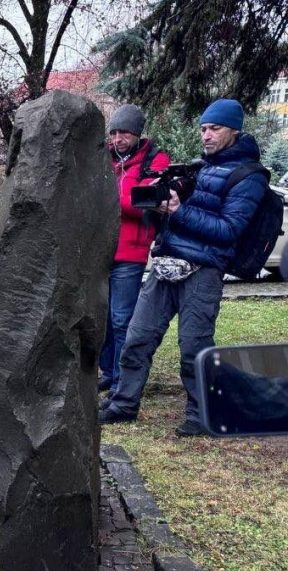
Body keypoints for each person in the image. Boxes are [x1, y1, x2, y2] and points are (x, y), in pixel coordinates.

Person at [100, 99, 269, 436]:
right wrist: (163, 198)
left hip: (203, 271)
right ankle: (123, 404)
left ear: (235, 130)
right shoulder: (200, 167)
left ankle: (200, 415)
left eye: (215, 128)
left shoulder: (249, 176)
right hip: (165, 264)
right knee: (136, 339)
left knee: (195, 348)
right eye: (203, 128)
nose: (206, 135)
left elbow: (228, 230)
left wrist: (178, 210)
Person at [99, 105, 170, 396]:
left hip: (130, 252)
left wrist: (109, 197)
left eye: (123, 133)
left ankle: (121, 381)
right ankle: (108, 371)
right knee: (102, 318)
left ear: (137, 133)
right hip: (101, 249)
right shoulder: (103, 157)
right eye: (113, 132)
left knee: (121, 319)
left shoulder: (156, 159)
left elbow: (142, 202)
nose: (117, 139)